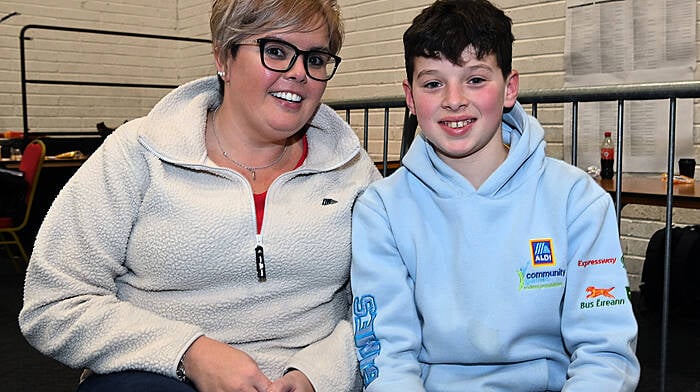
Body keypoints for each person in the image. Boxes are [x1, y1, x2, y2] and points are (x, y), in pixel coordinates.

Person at [19, 0, 380, 391]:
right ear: (224, 56)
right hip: (161, 378)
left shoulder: (352, 170)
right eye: (275, 51)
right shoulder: (137, 153)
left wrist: (319, 375)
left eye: (316, 59)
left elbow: (385, 301)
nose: (299, 73)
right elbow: (53, 303)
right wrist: (189, 353)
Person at [350, 0, 640, 391]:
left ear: (509, 89)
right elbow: (387, 356)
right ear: (410, 97)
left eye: (475, 79)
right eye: (433, 83)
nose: (454, 99)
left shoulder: (577, 199)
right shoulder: (381, 209)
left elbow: (605, 351)